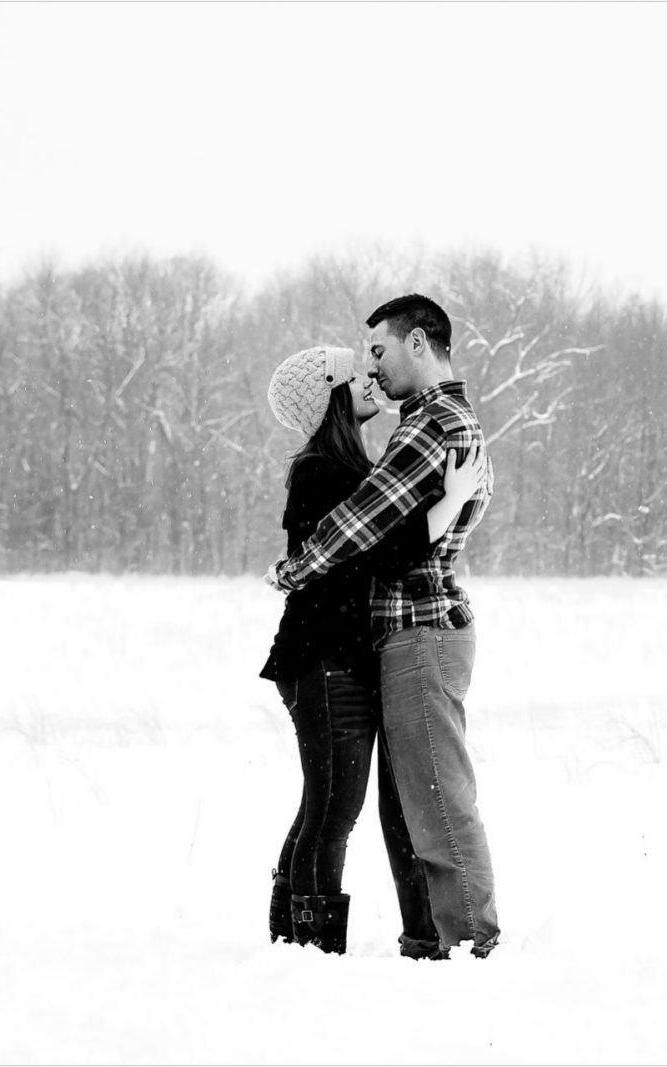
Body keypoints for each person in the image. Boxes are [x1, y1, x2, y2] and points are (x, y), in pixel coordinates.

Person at [267, 294, 500, 958]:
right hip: (349, 648)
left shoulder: (430, 424)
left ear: (417, 344)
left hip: (415, 629)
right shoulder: (424, 426)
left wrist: (298, 565)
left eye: (378, 351)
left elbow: (372, 530)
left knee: (423, 801)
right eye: (360, 364)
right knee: (380, 805)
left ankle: (463, 940)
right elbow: (391, 537)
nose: (372, 369)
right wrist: (451, 507)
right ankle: (408, 936)